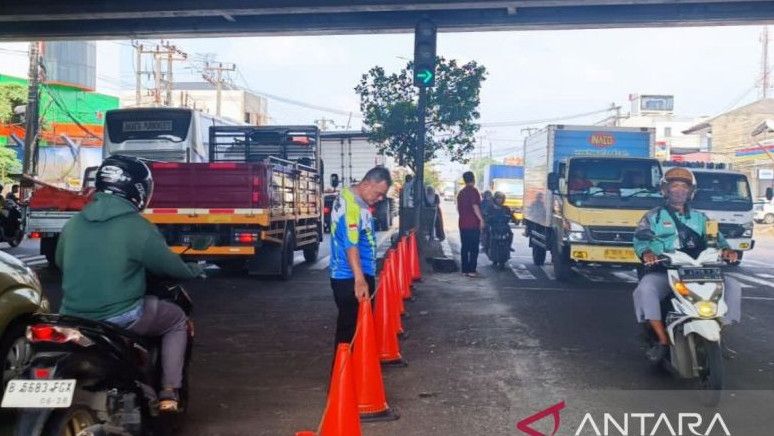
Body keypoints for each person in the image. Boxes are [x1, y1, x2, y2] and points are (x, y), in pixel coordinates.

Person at [56, 155, 204, 412]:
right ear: (139, 190)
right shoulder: (137, 227)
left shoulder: (73, 224)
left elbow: (60, 262)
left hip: (72, 318)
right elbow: (169, 266)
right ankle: (169, 392)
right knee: (177, 319)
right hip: (120, 316)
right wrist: (193, 269)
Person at [632, 167, 741, 362]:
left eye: (684, 186)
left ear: (691, 192)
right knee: (645, 289)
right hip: (665, 270)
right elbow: (640, 240)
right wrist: (647, 253)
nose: (679, 190)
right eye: (674, 186)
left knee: (733, 286)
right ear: (665, 190)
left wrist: (727, 251)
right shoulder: (652, 217)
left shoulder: (701, 218)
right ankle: (662, 341)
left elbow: (718, 240)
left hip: (699, 271)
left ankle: (719, 335)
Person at [329, 166, 392, 344]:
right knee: (350, 331)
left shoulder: (355, 200)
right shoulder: (352, 207)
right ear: (366, 184)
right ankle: (344, 370)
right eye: (378, 193)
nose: (379, 199)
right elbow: (351, 245)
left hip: (357, 274)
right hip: (350, 277)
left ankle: (356, 368)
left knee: (358, 328)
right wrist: (359, 279)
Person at [457, 171, 484, 277]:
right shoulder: (474, 191)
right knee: (474, 248)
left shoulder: (461, 192)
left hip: (463, 224)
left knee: (465, 247)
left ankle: (464, 270)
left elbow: (458, 208)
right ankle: (472, 270)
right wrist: (481, 219)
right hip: (473, 224)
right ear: (473, 179)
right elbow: (475, 206)